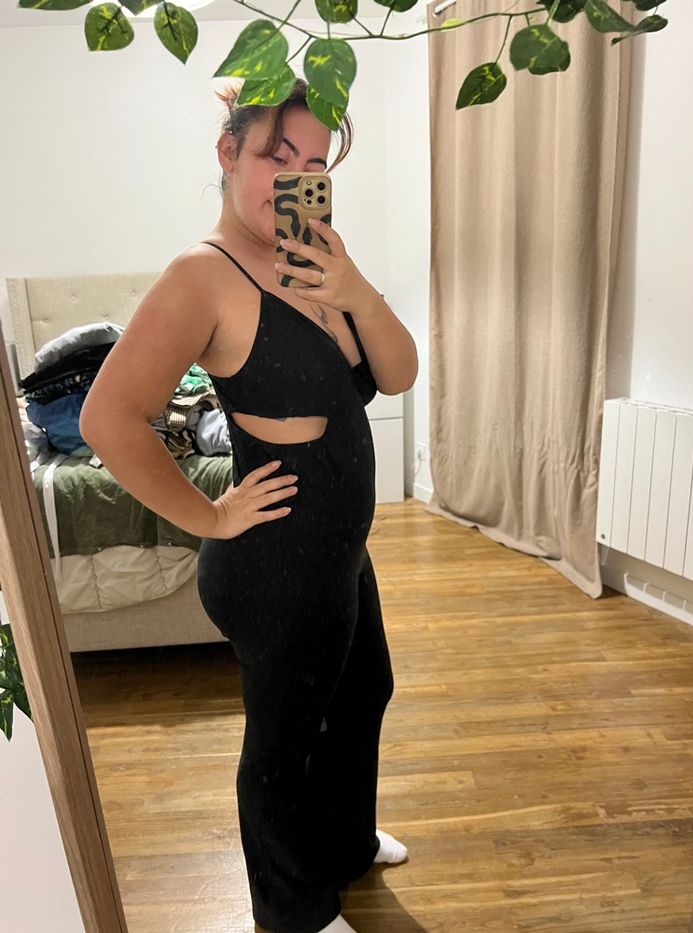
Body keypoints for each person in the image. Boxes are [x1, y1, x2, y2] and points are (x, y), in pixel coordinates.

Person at [80, 76, 417, 933]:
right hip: (275, 558)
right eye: (278, 156)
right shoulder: (203, 275)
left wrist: (355, 288)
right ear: (228, 153)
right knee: (283, 742)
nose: (296, 177)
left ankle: (343, 841)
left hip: (339, 549)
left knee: (364, 691)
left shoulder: (317, 257)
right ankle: (293, 908)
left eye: (315, 163)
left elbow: (399, 372)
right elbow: (107, 418)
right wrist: (210, 516)